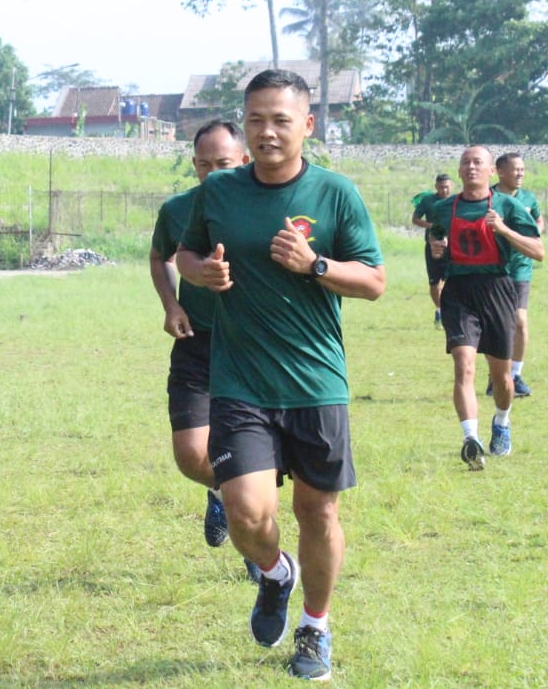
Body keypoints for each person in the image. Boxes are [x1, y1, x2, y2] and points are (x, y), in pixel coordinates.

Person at [176, 70, 386, 681]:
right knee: (245, 511)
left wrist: (315, 263)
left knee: (318, 513)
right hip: (239, 381)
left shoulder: (336, 194)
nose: (267, 132)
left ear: (307, 126)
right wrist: (201, 275)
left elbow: (373, 281)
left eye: (281, 120)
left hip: (316, 383)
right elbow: (186, 254)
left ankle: (315, 627)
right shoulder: (218, 195)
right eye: (256, 120)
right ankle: (274, 574)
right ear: (245, 125)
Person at [149, 120, 249, 552]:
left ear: (244, 161)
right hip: (197, 342)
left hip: (252, 345)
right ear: (194, 165)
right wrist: (172, 304)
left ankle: (256, 548)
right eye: (205, 164)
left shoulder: (261, 207)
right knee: (192, 454)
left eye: (223, 164)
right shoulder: (177, 210)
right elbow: (160, 256)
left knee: (257, 459)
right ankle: (223, 493)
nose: (214, 173)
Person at [427, 146, 543, 471]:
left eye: (478, 162)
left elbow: (539, 250)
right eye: (466, 163)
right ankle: (470, 439)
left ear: (491, 170)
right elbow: (434, 237)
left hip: (497, 290)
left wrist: (504, 230)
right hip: (459, 291)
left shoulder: (508, 205)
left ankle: (502, 422)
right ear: (460, 171)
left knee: (501, 377)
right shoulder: (444, 208)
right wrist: (437, 248)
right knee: (463, 366)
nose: (471, 167)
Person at [489, 153, 543, 398]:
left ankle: (516, 374)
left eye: (523, 169)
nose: (520, 173)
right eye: (516, 169)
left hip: (521, 266)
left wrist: (531, 233)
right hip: (494, 267)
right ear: (500, 172)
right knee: (498, 324)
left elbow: (539, 221)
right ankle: (496, 375)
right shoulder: (488, 198)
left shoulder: (528, 198)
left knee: (520, 320)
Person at [411, 173, 455, 327]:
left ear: (452, 186)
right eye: (441, 187)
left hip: (452, 247)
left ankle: (452, 312)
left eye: (447, 187)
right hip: (433, 246)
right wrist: (431, 226)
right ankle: (439, 309)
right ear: (436, 187)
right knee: (435, 283)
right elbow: (415, 219)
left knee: (453, 280)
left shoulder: (456, 201)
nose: (444, 190)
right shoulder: (428, 201)